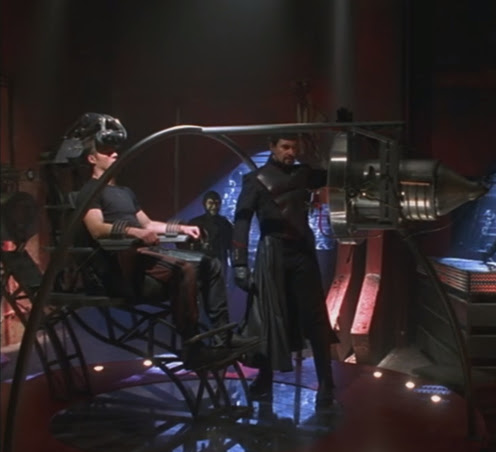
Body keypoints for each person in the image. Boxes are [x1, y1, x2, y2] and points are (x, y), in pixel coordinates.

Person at [76, 140, 252, 370]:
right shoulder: (90, 191)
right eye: (107, 152)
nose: (115, 154)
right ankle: (192, 348)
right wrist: (135, 232)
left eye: (114, 151)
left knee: (210, 264)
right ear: (92, 159)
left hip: (142, 254)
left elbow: (148, 224)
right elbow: (97, 228)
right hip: (120, 264)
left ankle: (223, 336)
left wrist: (181, 228)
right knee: (184, 269)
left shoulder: (124, 192)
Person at [231, 134, 337, 408]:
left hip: (302, 253)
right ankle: (265, 379)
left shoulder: (304, 174)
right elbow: (241, 221)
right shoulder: (255, 180)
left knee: (315, 317)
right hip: (273, 253)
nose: (291, 152)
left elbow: (336, 173)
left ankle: (326, 383)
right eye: (285, 147)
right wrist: (239, 263)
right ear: (272, 147)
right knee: (270, 316)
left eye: (294, 148)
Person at [187, 190, 233, 269]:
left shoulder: (225, 223)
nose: (214, 206)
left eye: (217, 203)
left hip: (220, 263)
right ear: (204, 204)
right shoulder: (195, 223)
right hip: (200, 263)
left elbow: (231, 245)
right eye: (210, 203)